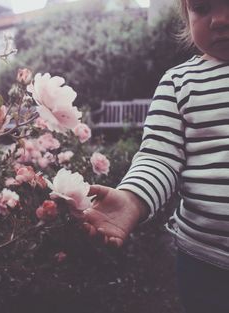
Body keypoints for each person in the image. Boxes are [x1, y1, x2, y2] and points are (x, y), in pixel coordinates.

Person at [82, 0, 229, 312]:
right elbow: (158, 157)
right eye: (202, 7)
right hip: (205, 261)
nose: (219, 19)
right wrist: (132, 198)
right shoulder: (180, 83)